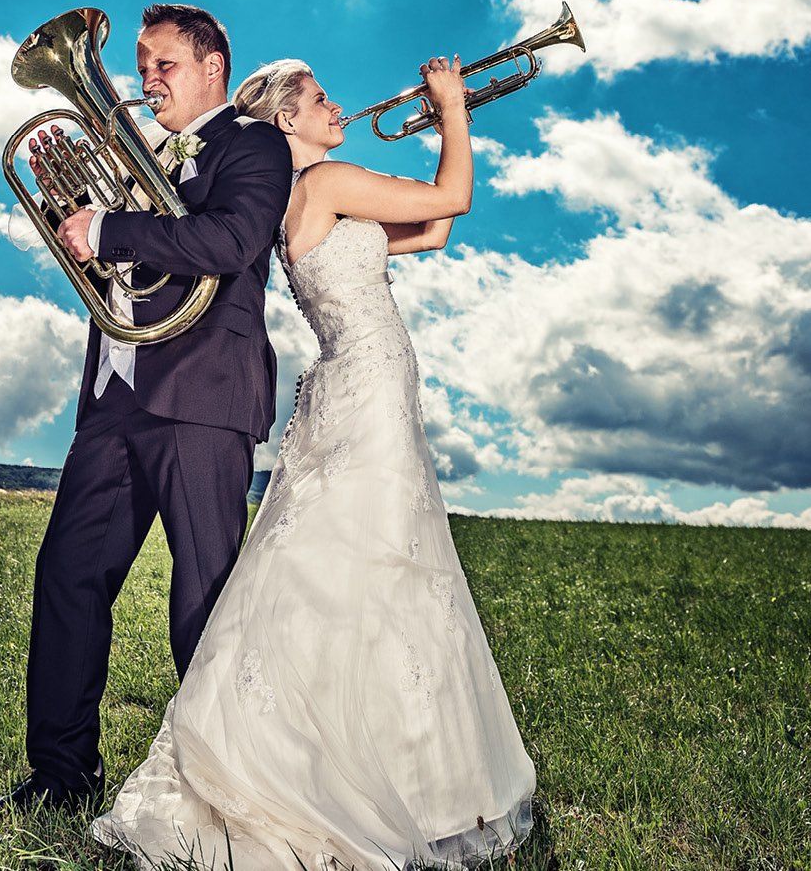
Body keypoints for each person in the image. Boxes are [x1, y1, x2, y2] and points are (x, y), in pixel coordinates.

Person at [88, 55, 537, 868]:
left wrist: (442, 130)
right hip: (368, 383)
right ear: (287, 121)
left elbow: (432, 232)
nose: (338, 107)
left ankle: (349, 759)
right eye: (321, 99)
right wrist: (454, 109)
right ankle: (382, 777)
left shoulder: (296, 203)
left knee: (354, 567)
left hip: (351, 385)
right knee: (381, 567)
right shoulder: (327, 181)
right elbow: (456, 201)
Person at [0, 4, 294, 814]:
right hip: (114, 397)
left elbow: (230, 243)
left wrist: (109, 223)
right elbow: (114, 254)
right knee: (69, 575)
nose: (144, 82)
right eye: (138, 67)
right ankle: (61, 778)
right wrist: (71, 207)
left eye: (163, 65)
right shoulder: (140, 156)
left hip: (202, 401)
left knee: (204, 599)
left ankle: (231, 794)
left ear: (213, 66)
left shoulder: (254, 146)